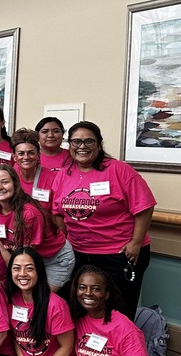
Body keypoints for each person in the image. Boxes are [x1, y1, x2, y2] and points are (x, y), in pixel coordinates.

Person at [51, 121, 155, 318]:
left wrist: (136, 242)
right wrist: (63, 244)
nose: (82, 146)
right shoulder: (64, 174)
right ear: (69, 145)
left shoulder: (119, 170)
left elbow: (145, 206)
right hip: (79, 253)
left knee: (118, 312)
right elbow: (57, 212)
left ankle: (120, 348)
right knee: (82, 311)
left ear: (99, 144)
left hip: (119, 253)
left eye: (89, 141)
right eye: (76, 141)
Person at [1, 248, 84, 356]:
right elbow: (17, 338)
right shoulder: (12, 299)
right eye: (16, 268)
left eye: (29, 268)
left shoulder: (55, 305)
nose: (22, 274)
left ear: (39, 271)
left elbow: (66, 346)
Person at [0, 165, 74, 288]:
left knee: (39, 297)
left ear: (15, 184)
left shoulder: (29, 213)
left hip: (55, 259)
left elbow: (28, 255)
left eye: (5, 182)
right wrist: (13, 274)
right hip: (25, 259)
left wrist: (20, 279)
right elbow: (3, 248)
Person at [11, 128, 54, 213]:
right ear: (14, 157)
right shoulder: (9, 177)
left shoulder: (52, 178)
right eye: (21, 153)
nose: (26, 157)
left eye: (31, 153)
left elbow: (56, 214)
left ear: (38, 155)